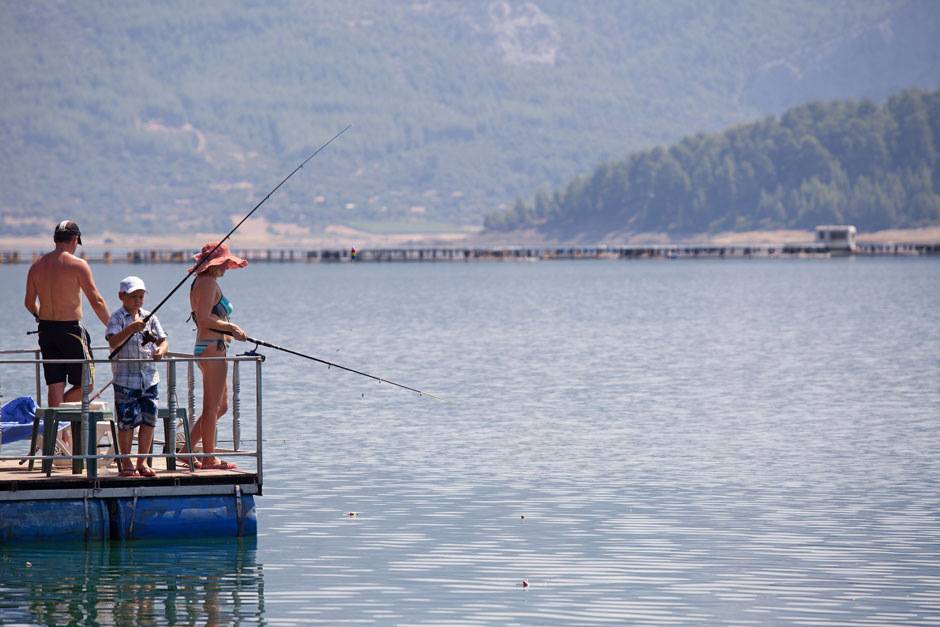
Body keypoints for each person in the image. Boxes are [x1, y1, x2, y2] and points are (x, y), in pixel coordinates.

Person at [24, 220, 110, 408]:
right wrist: (112, 327)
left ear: (56, 239)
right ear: (75, 239)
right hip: (70, 330)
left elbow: (29, 303)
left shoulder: (36, 266)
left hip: (45, 330)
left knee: (55, 385)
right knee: (86, 384)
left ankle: (61, 437)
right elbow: (97, 301)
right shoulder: (78, 265)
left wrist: (40, 315)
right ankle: (64, 413)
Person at [180, 241, 247, 470]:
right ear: (213, 264)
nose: (227, 268)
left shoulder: (201, 281)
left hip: (208, 347)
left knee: (222, 406)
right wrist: (232, 328)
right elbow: (205, 318)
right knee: (211, 407)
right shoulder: (208, 282)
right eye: (224, 263)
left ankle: (185, 450)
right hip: (212, 348)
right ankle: (209, 457)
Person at [106, 276, 168, 477]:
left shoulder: (150, 317)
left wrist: (161, 350)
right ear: (122, 296)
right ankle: (126, 463)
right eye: (134, 297)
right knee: (126, 423)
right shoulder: (117, 318)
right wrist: (132, 328)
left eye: (141, 297)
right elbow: (113, 342)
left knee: (149, 420)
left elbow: (163, 341)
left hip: (149, 378)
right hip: (125, 379)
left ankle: (142, 462)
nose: (138, 301)